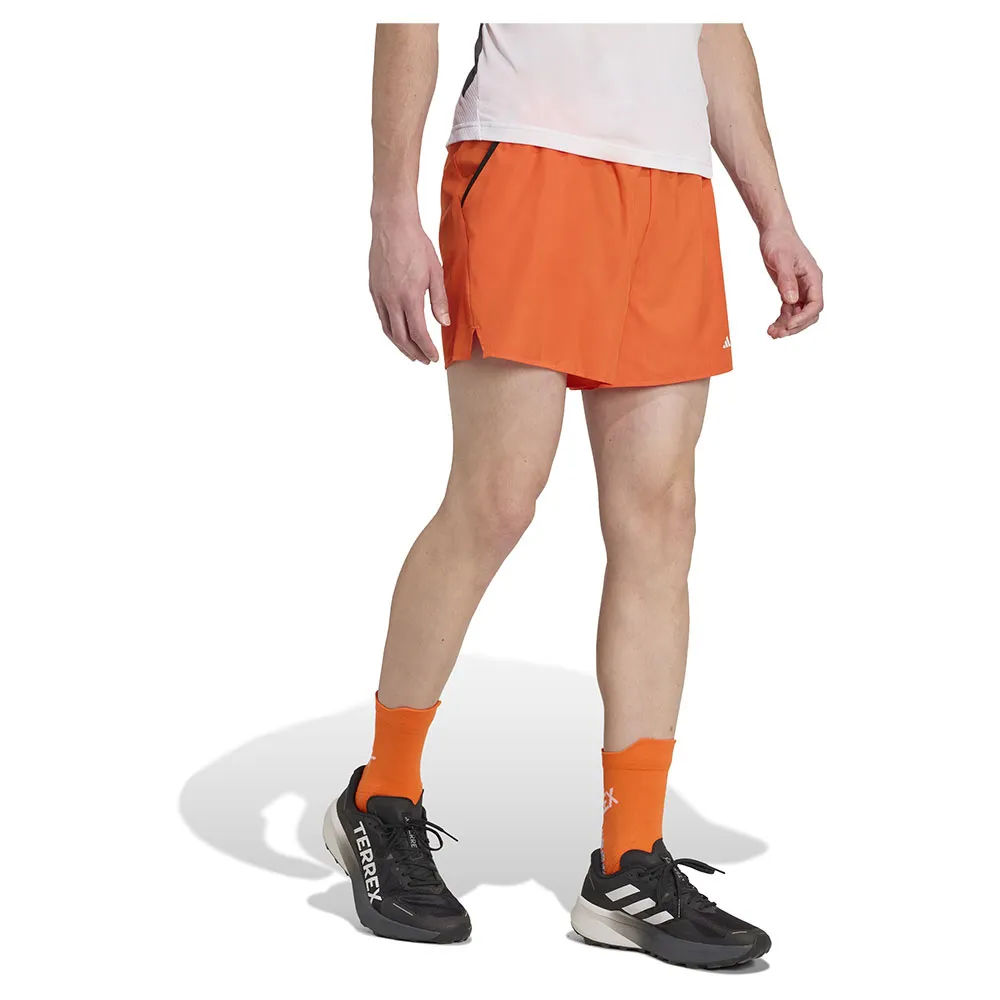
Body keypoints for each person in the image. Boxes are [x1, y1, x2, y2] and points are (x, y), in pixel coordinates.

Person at [322, 23, 822, 969]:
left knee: (661, 520)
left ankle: (629, 862)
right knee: (497, 500)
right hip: (527, 156)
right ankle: (380, 796)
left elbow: (713, 28)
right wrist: (392, 210)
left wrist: (775, 215)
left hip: (671, 181)